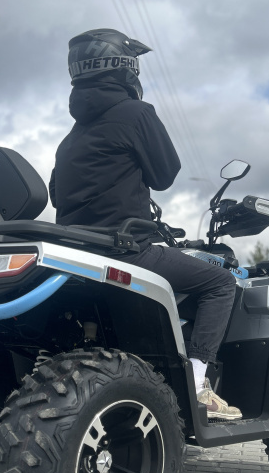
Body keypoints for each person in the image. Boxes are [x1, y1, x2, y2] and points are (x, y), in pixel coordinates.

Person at [49, 28, 241, 421]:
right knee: (221, 283)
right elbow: (166, 173)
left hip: (76, 252)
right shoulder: (137, 113)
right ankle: (199, 384)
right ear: (124, 67)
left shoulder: (70, 138)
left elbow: (58, 196)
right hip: (126, 248)